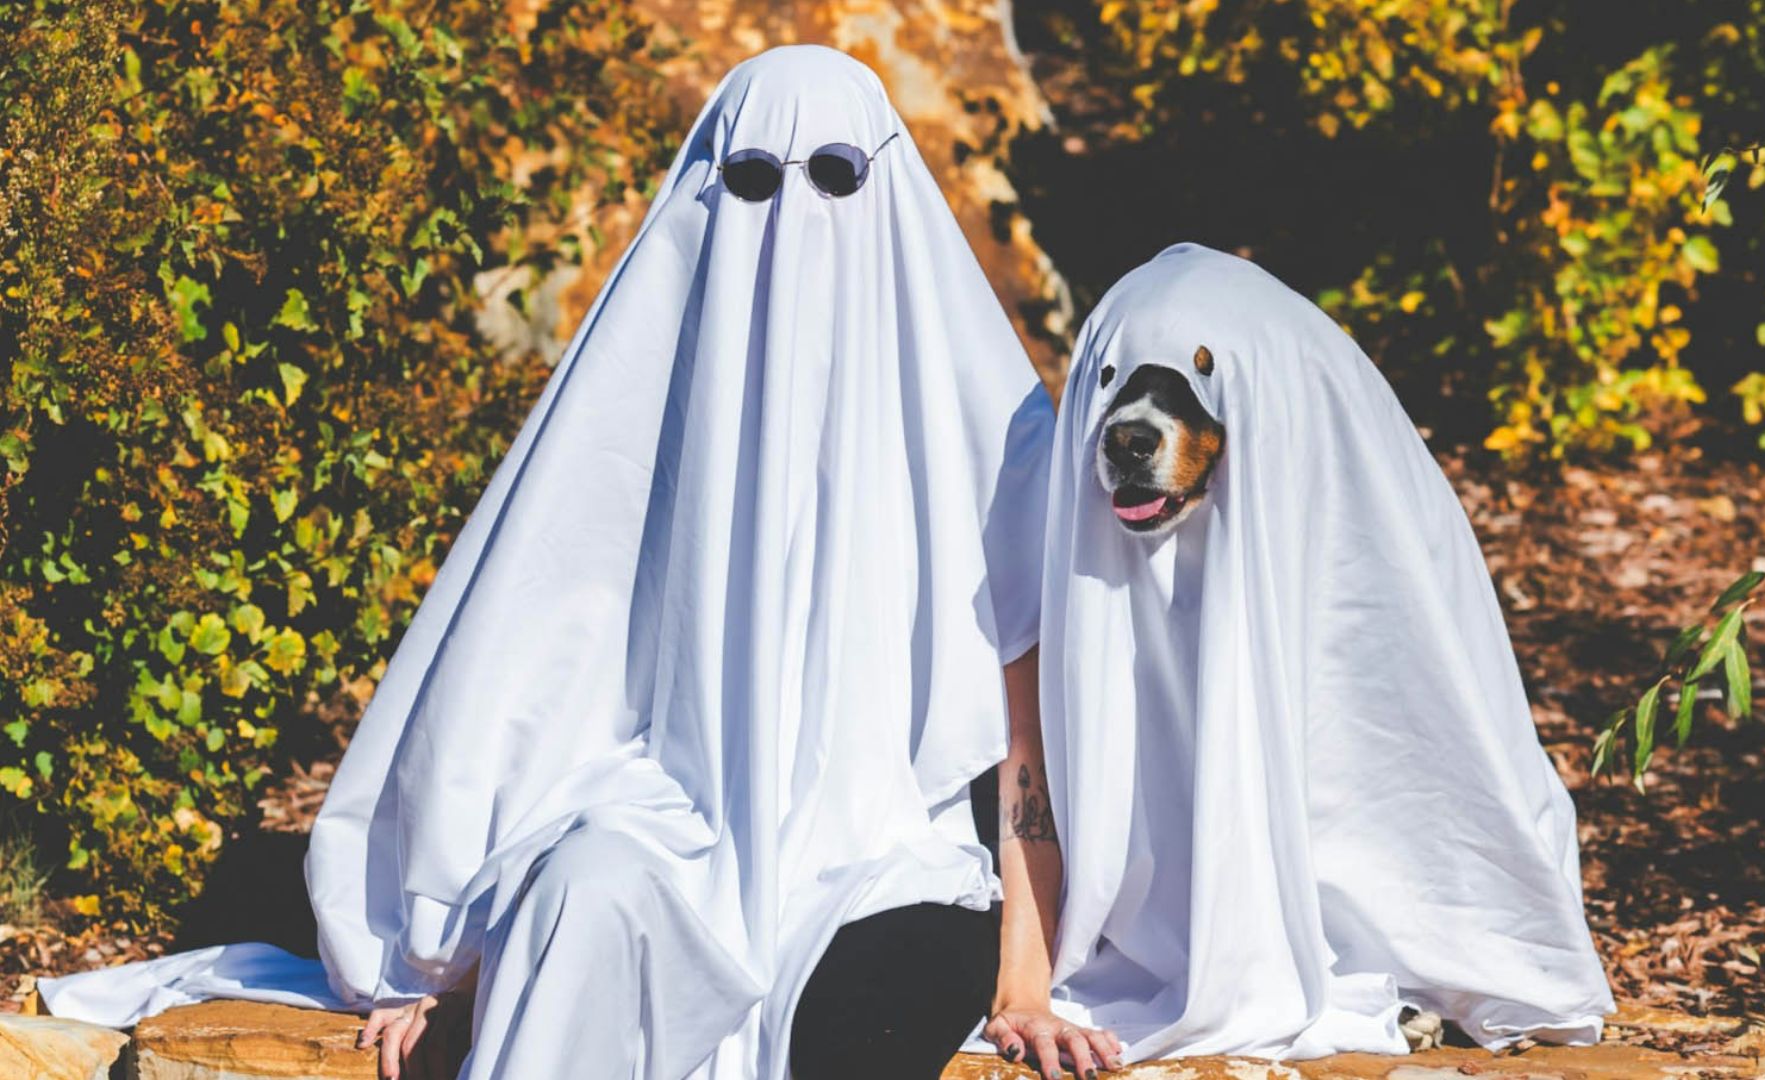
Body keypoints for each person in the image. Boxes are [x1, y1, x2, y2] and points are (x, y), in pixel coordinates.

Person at [43, 45, 1117, 1080]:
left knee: (857, 1024)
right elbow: (529, 672)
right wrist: (463, 957)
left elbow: (1023, 740)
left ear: (887, 190)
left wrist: (1023, 980)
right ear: (704, 188)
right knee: (581, 896)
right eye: (751, 182)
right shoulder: (636, 392)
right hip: (666, 822)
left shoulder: (984, 424)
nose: (791, 226)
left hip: (885, 858)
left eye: (834, 178)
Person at [1030, 244, 1617, 1063]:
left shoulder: (1376, 550)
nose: (1136, 423)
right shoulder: (1082, 556)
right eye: (1120, 387)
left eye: (1203, 382)